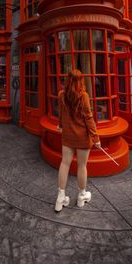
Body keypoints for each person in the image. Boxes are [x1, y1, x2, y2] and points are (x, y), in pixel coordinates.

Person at [55, 69, 101, 212]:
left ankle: (60, 198)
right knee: (82, 166)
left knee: (64, 164)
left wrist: (60, 125)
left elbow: (61, 113)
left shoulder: (62, 95)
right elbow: (89, 118)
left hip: (68, 135)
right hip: (82, 136)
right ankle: (82, 196)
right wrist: (96, 138)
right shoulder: (84, 96)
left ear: (68, 81)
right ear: (81, 81)